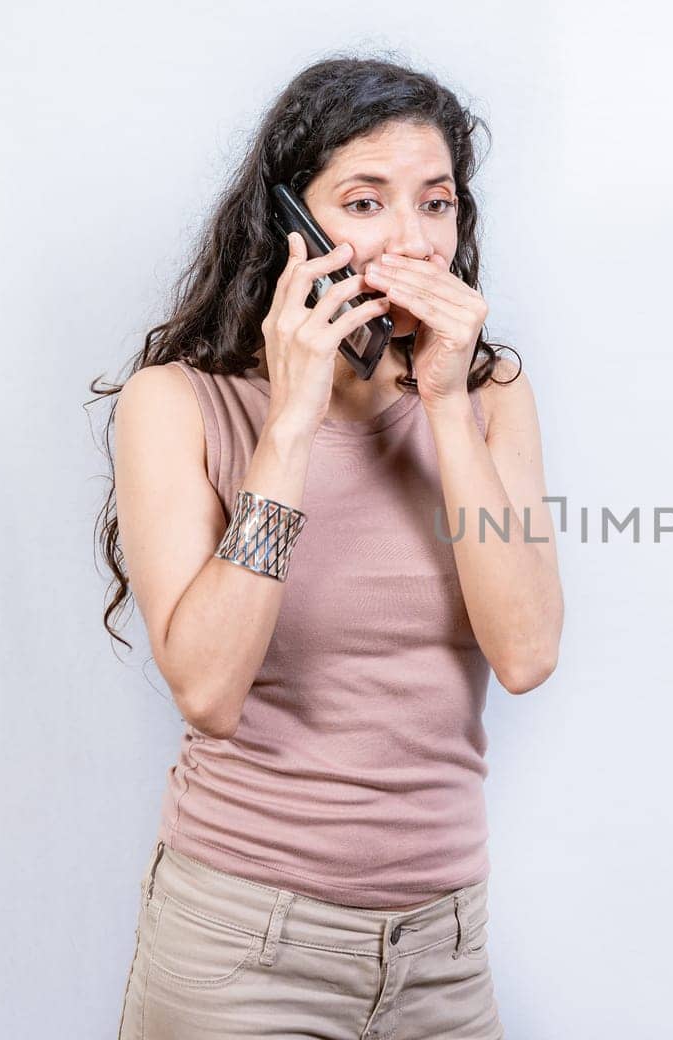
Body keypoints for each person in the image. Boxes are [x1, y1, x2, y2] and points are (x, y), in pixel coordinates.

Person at [91, 54, 562, 1039]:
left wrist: (441, 403)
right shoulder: (179, 403)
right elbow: (210, 688)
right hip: (243, 948)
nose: (413, 240)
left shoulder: (488, 395)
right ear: (290, 226)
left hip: (443, 951)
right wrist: (291, 427)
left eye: (437, 205)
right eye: (364, 201)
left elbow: (523, 651)